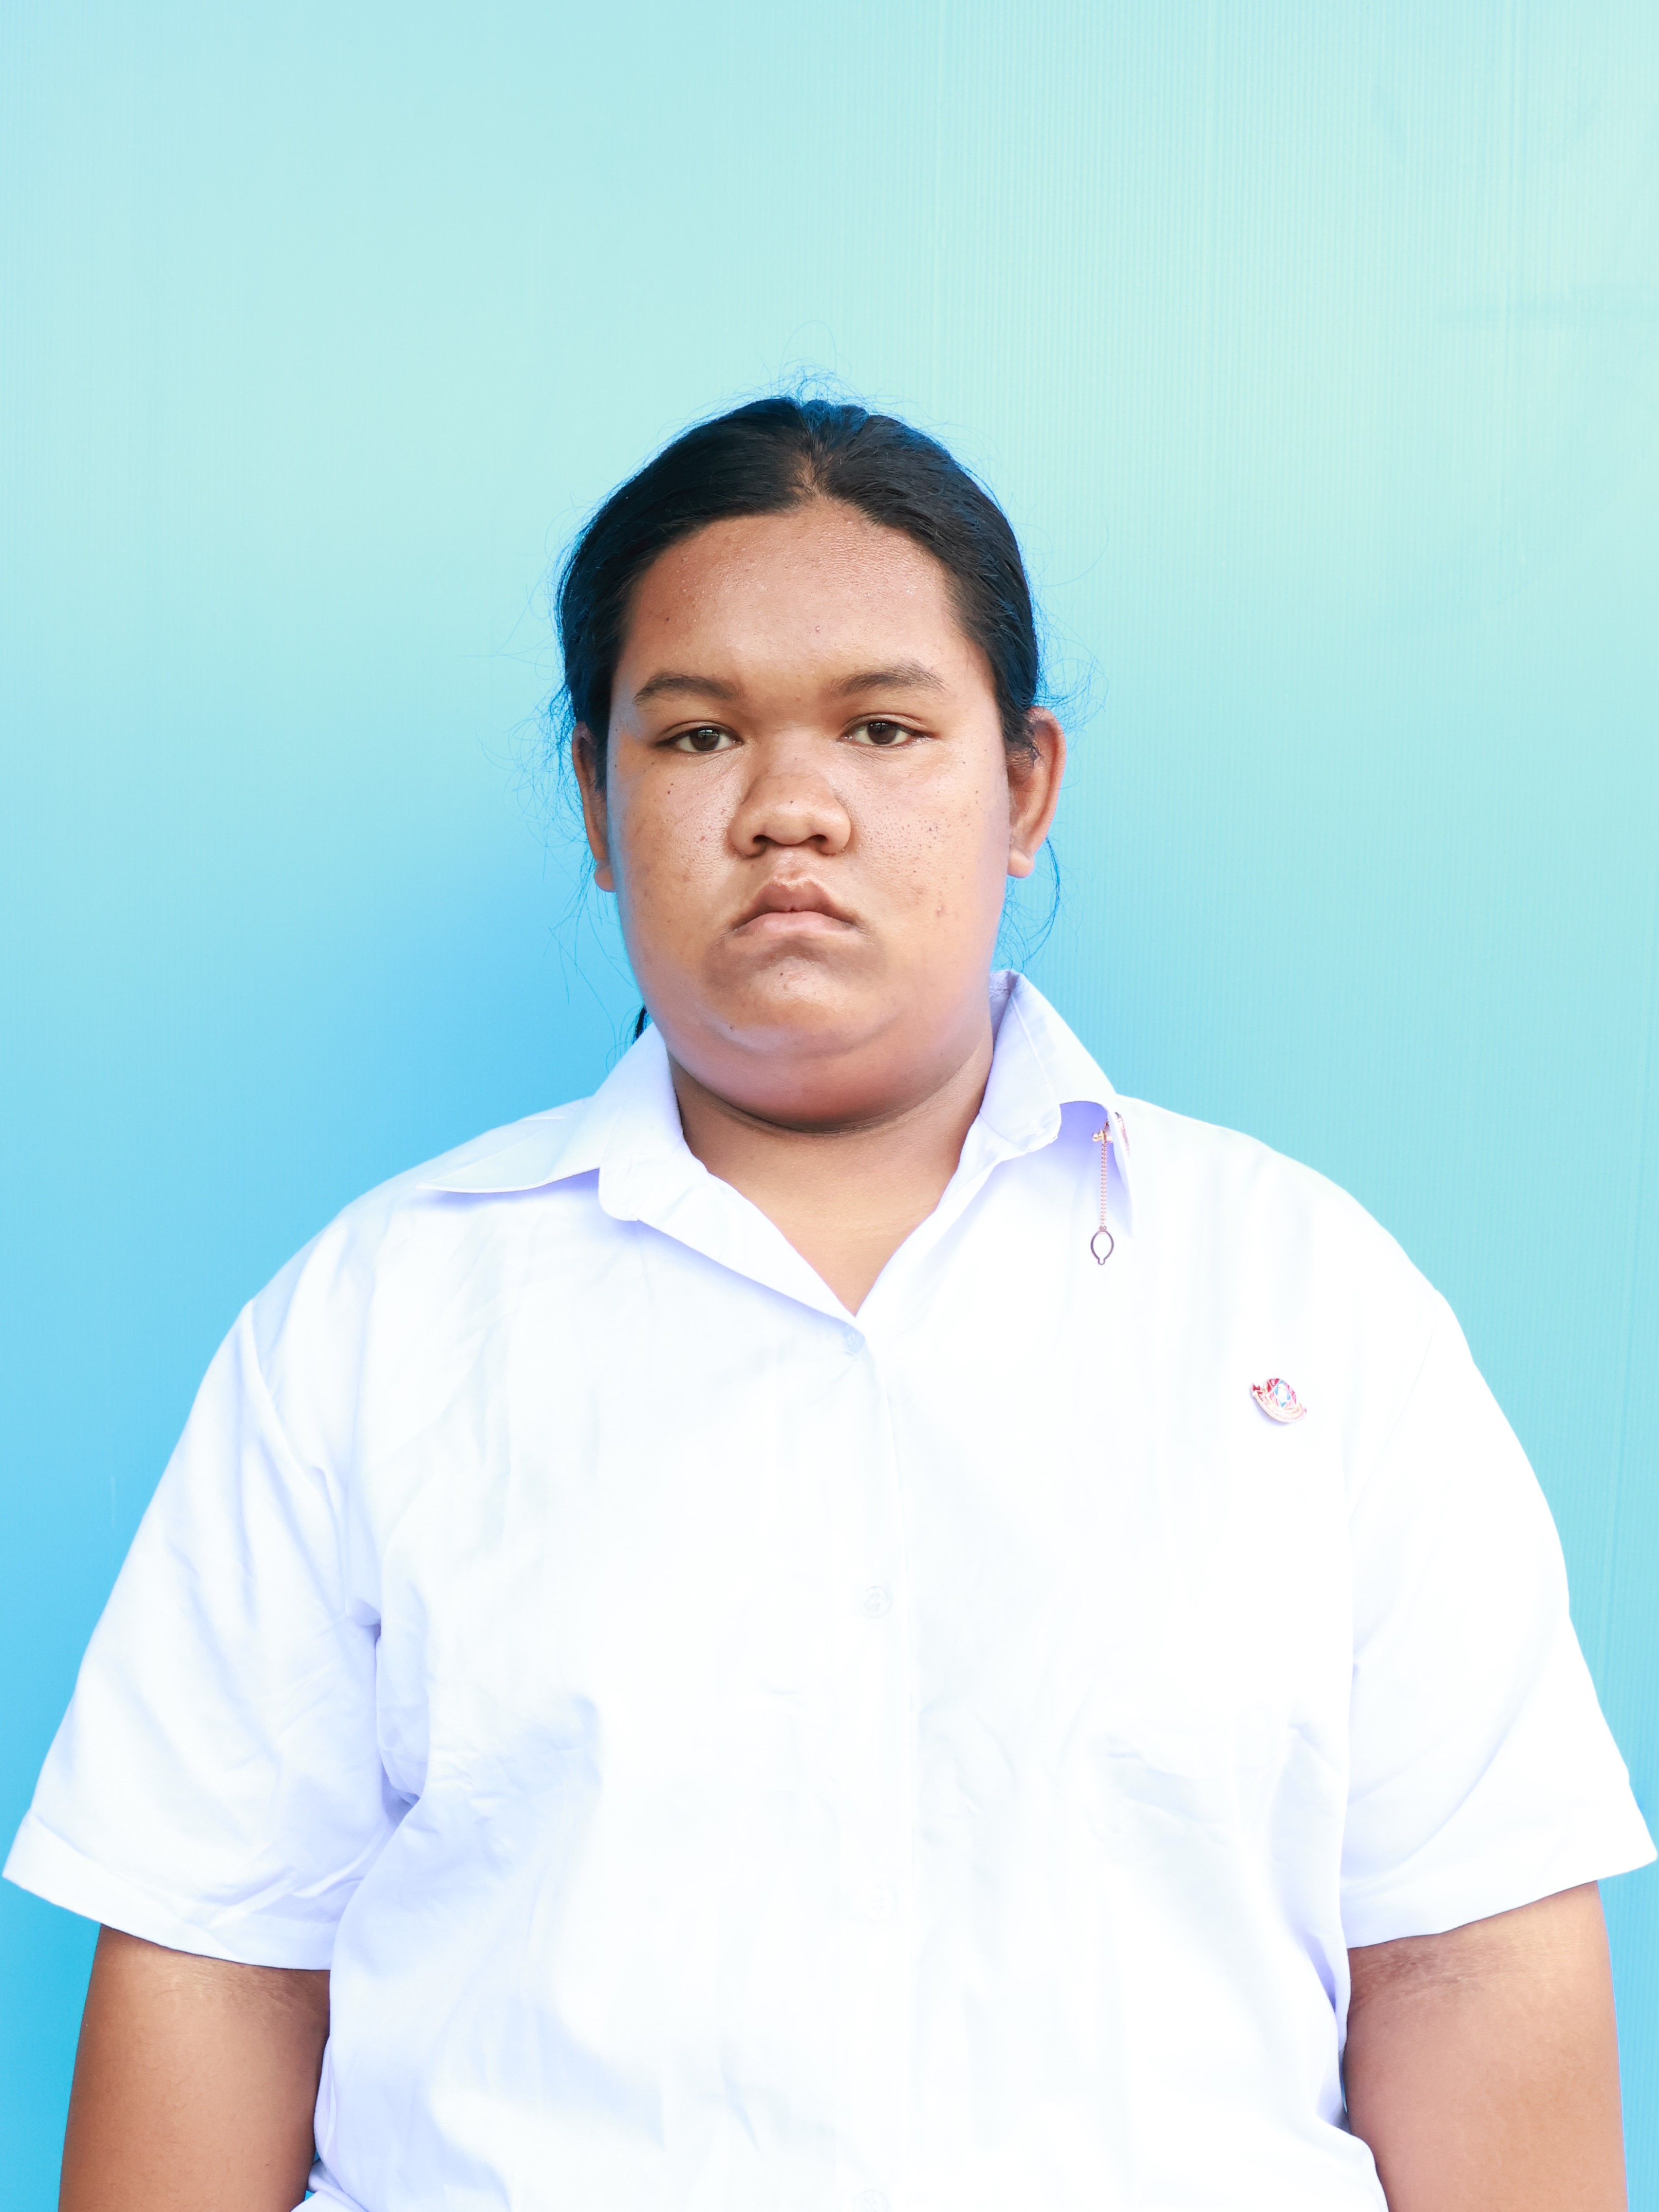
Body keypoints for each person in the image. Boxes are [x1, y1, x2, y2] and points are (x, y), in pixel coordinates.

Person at [8, 397, 1652, 2212]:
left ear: (1024, 785)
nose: (791, 807)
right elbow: (220, 1960)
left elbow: (1468, 1954)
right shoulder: (376, 1322)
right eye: (697, 733)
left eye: (883, 726)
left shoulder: (1305, 1300)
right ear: (598, 797)